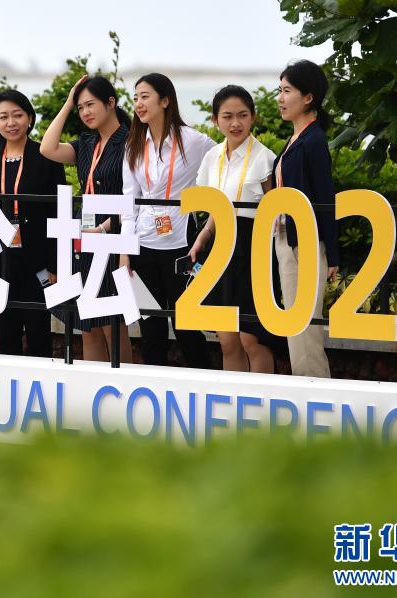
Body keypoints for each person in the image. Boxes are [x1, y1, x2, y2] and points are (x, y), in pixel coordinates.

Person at [118, 73, 214, 368]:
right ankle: (154, 386)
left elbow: (222, 162)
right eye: (135, 98)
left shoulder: (193, 141)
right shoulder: (134, 144)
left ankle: (203, 381)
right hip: (143, 244)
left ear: (165, 101)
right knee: (150, 326)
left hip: (182, 244)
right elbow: (129, 201)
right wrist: (125, 250)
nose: (138, 103)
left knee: (186, 324)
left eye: (145, 96)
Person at [40, 75, 133, 363]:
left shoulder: (131, 142)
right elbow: (47, 148)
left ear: (111, 103)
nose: (85, 112)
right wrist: (67, 104)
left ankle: (124, 381)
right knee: (86, 325)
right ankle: (92, 383)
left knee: (111, 323)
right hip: (84, 234)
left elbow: (137, 195)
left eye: (90, 104)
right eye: (81, 108)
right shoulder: (86, 143)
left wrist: (107, 228)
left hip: (113, 234)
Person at [189, 85, 280, 373]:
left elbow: (277, 212)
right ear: (215, 120)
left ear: (253, 117)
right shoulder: (211, 157)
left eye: (242, 115)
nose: (235, 123)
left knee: (252, 339)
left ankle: (263, 397)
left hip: (254, 250)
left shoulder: (265, 158)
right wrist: (203, 236)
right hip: (220, 249)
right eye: (227, 116)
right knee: (227, 340)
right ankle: (234, 399)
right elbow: (216, 209)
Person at [0, 90, 67, 357]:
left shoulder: (47, 156)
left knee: (39, 335)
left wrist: (56, 264)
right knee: (6, 337)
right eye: (3, 117)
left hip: (38, 263)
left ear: (29, 118)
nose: (11, 123)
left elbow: (59, 211)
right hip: (0, 262)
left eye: (17, 115)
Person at [273, 60, 339, 377]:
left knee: (305, 327)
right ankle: (306, 389)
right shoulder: (297, 138)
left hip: (305, 244)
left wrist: (333, 255)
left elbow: (325, 199)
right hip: (287, 241)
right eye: (280, 90)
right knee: (294, 324)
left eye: (287, 91)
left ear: (308, 97)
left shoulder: (313, 140)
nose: (280, 98)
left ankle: (315, 391)